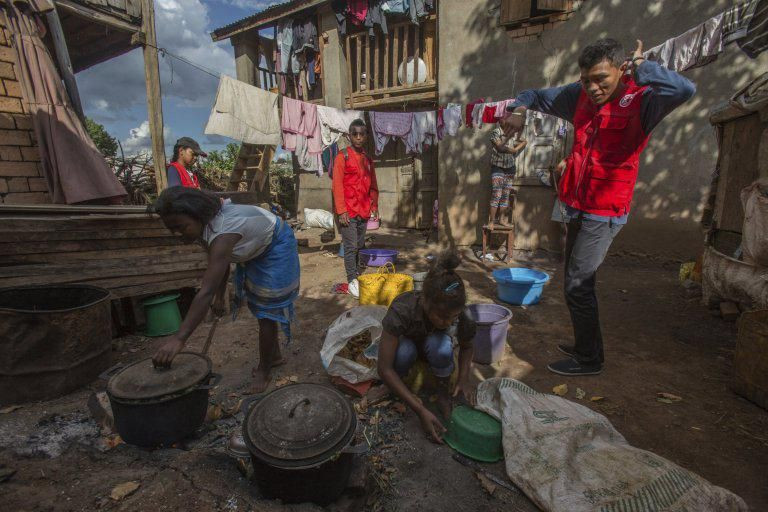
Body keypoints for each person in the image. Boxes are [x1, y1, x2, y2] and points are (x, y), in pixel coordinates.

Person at [501, 38, 695, 376]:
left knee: (578, 283)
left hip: (605, 212)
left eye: (601, 79)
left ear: (622, 70)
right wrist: (518, 111)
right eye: (586, 79)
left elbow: (684, 89)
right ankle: (585, 346)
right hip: (576, 205)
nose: (592, 88)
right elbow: (531, 95)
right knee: (574, 282)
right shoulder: (577, 96)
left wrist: (642, 67)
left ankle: (590, 360)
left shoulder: (641, 99)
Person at [151, 187, 300, 393]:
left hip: (276, 243)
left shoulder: (223, 232)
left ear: (197, 215)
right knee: (260, 304)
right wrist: (220, 297)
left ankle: (264, 370)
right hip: (257, 244)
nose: (178, 235)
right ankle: (273, 356)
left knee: (267, 311)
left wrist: (179, 339)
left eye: (181, 227)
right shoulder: (207, 227)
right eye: (173, 230)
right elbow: (219, 264)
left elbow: (206, 291)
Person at [376, 251, 476, 444]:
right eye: (441, 316)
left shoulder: (462, 315)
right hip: (409, 347)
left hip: (433, 347)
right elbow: (384, 368)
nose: (447, 322)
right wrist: (420, 410)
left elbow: (467, 347)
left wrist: (464, 378)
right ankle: (392, 387)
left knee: (441, 345)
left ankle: (442, 394)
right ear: (424, 302)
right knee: (405, 351)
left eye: (452, 318)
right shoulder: (403, 309)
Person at [332, 118, 379, 299]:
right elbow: (337, 186)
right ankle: (352, 280)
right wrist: (341, 211)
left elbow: (373, 185)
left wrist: (374, 205)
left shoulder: (368, 160)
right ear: (349, 136)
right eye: (355, 134)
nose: (358, 137)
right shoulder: (342, 157)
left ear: (366, 136)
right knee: (350, 246)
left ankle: (357, 274)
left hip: (363, 210)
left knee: (360, 245)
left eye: (362, 134)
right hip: (348, 211)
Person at [488, 124, 527, 228]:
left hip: (510, 167)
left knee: (505, 195)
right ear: (500, 120)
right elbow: (500, 148)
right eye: (503, 117)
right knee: (496, 194)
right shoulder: (496, 132)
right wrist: (514, 150)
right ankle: (492, 221)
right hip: (498, 167)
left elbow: (524, 141)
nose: (506, 120)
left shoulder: (513, 133)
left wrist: (518, 146)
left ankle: (501, 220)